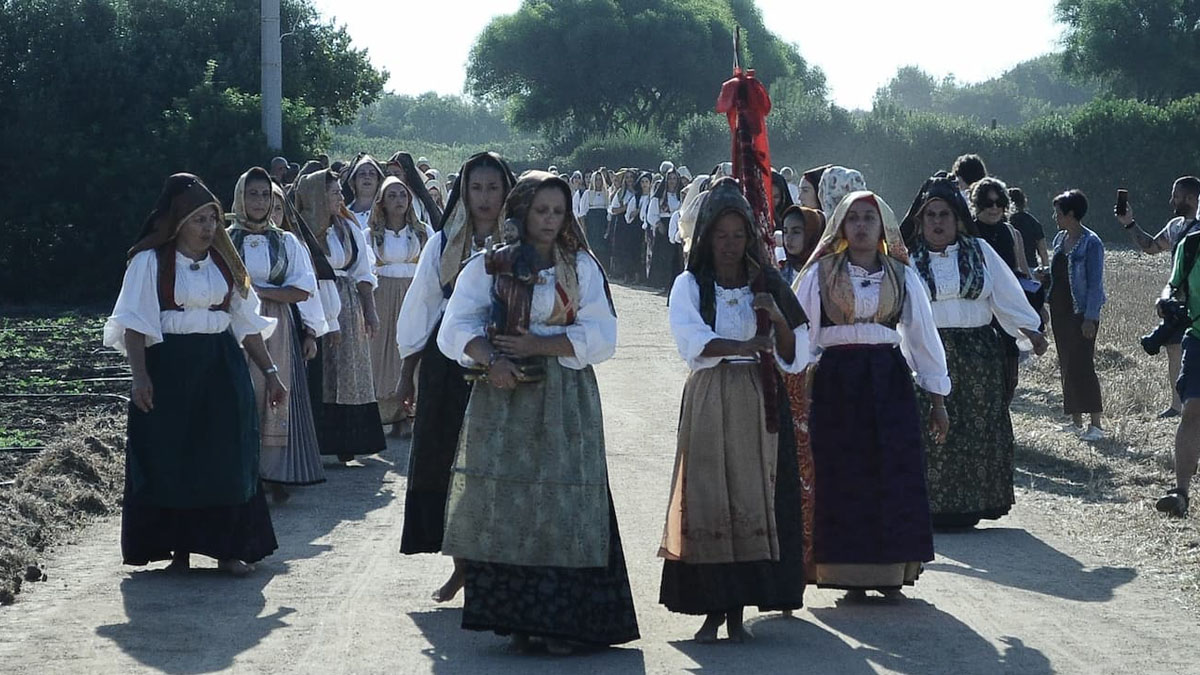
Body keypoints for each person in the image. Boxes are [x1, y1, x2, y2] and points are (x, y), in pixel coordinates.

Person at [434, 170, 638, 654]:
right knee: (509, 500)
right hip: (502, 399)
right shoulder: (489, 267)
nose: (549, 220)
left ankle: (563, 623)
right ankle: (517, 619)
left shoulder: (580, 267)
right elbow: (455, 328)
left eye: (558, 211)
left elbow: (603, 334)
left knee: (563, 499)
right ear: (521, 211)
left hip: (565, 398)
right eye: (541, 210)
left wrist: (539, 345)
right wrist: (494, 360)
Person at [103, 173, 282, 576]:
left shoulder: (226, 264)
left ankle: (228, 549)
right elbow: (135, 324)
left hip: (221, 366)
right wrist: (140, 377)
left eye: (214, 219)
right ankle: (177, 549)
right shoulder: (149, 262)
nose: (209, 228)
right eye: (200, 220)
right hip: (171, 369)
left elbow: (245, 323)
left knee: (226, 454)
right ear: (179, 222)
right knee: (175, 456)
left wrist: (270, 371)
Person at [659, 178, 810, 642]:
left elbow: (797, 352)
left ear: (750, 237)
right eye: (720, 235)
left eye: (738, 235)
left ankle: (740, 612)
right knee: (709, 494)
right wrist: (746, 342)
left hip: (760, 397)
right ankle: (710, 610)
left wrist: (776, 316)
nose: (729, 245)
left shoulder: (768, 283)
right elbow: (693, 342)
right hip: (710, 395)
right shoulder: (690, 284)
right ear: (705, 237)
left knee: (752, 497)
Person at [794, 190, 949, 596]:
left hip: (887, 379)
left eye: (869, 219)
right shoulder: (820, 274)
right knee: (842, 474)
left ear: (883, 228)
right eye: (854, 218)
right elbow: (800, 336)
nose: (861, 226)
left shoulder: (902, 275)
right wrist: (796, 390)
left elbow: (922, 338)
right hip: (836, 382)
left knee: (891, 472)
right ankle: (846, 574)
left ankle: (892, 572)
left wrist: (937, 400)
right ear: (841, 226)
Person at [395, 152, 517, 602]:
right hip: (450, 362)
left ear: (507, 190)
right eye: (476, 188)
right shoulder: (444, 240)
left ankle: (498, 568)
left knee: (497, 463)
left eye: (493, 187)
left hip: (507, 357)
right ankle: (461, 564)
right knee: (447, 460)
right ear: (463, 191)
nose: (485, 198)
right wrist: (408, 373)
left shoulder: (523, 240)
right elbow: (423, 306)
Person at [908, 177, 1047, 528]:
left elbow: (1005, 293)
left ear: (957, 219)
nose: (937, 222)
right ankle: (933, 507)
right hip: (929, 354)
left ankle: (973, 506)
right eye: (930, 216)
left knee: (977, 430)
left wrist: (1030, 328)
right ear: (921, 221)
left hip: (978, 358)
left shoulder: (979, 251)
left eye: (944, 215)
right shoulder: (908, 260)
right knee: (932, 430)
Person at [228, 168, 328, 502]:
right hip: (234, 326)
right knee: (240, 393)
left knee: (273, 394)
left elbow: (303, 290)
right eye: (252, 194)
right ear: (240, 197)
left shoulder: (287, 241)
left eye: (264, 195)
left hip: (277, 325)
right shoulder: (225, 239)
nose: (258, 201)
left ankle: (274, 472)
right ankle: (243, 470)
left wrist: (260, 292)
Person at [293, 169, 385, 463]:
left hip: (346, 304)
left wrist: (369, 310)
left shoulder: (347, 226)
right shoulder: (300, 232)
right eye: (334, 193)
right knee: (319, 372)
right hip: (313, 302)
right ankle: (316, 442)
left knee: (348, 372)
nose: (341, 197)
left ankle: (348, 440)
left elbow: (362, 271)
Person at [1118, 176, 1200, 419]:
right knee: (1174, 351)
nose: (1171, 200)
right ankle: (1178, 406)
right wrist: (1129, 224)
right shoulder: (1175, 226)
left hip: (1198, 303)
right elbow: (1151, 246)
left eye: (1176, 196)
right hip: (1179, 302)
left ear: (1191, 198)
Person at [777, 204, 824, 581]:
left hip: (820, 375)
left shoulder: (825, 275)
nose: (790, 238)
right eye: (786, 231)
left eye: (798, 232)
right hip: (784, 376)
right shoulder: (776, 275)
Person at [368, 177, 429, 438]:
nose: (398, 201)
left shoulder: (422, 232)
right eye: (391, 196)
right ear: (382, 202)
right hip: (381, 294)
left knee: (410, 350)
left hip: (412, 294)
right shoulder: (370, 235)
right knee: (382, 354)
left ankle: (407, 415)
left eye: (402, 196)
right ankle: (384, 415)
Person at [1048, 190, 1105, 440]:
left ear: (1071, 214)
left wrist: (1090, 318)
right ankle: (1075, 420)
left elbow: (1095, 284)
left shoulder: (1092, 243)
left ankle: (1096, 425)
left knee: (1083, 366)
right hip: (1060, 312)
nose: (1055, 217)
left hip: (1081, 313)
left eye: (1058, 213)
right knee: (1067, 365)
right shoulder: (1060, 239)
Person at [1153, 215, 1200, 516]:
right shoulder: (1191, 245)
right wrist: (1165, 301)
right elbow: (1172, 286)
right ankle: (1180, 493)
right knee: (1192, 410)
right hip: (1198, 339)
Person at [646, 169, 684, 290]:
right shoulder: (659, 197)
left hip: (677, 226)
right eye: (670, 179)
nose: (672, 182)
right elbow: (651, 214)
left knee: (675, 256)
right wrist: (658, 224)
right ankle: (663, 282)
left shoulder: (681, 196)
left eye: (674, 179)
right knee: (663, 255)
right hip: (664, 225)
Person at [1008, 187, 1050, 270]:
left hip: (1009, 268)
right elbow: (1043, 251)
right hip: (1031, 267)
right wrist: (1046, 271)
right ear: (1024, 202)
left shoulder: (1004, 223)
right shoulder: (1033, 222)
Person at [343, 154, 384, 232]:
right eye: (362, 174)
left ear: (378, 181)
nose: (367, 177)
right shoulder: (344, 215)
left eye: (372, 174)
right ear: (354, 181)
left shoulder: (386, 212)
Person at [578, 170, 611, 264]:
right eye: (596, 180)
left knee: (603, 249)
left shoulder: (607, 194)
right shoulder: (587, 194)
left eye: (600, 180)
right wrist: (584, 229)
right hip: (592, 224)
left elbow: (609, 213)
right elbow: (582, 213)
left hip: (602, 223)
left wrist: (608, 229)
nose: (598, 182)